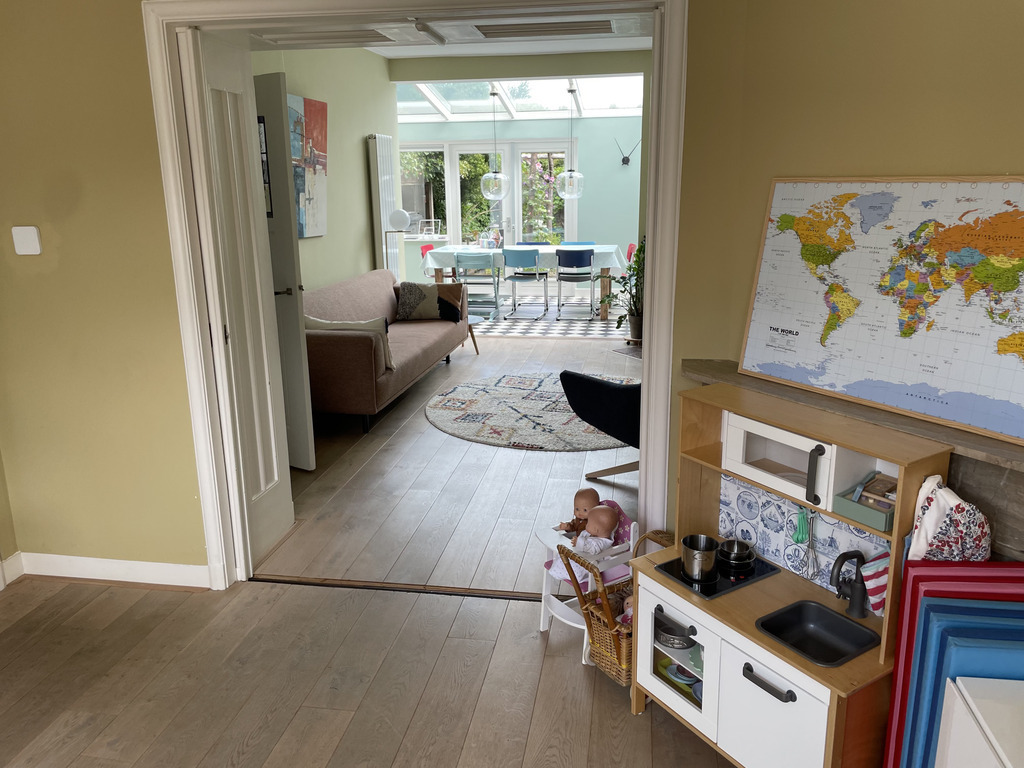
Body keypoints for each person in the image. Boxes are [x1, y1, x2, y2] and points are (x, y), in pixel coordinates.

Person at [548, 504, 619, 584]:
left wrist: (579, 542)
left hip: (589, 564)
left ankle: (562, 573)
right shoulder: (594, 533)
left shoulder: (601, 543)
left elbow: (592, 548)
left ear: (596, 529)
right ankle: (558, 569)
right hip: (582, 558)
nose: (586, 524)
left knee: (568, 563)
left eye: (588, 523)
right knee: (564, 557)